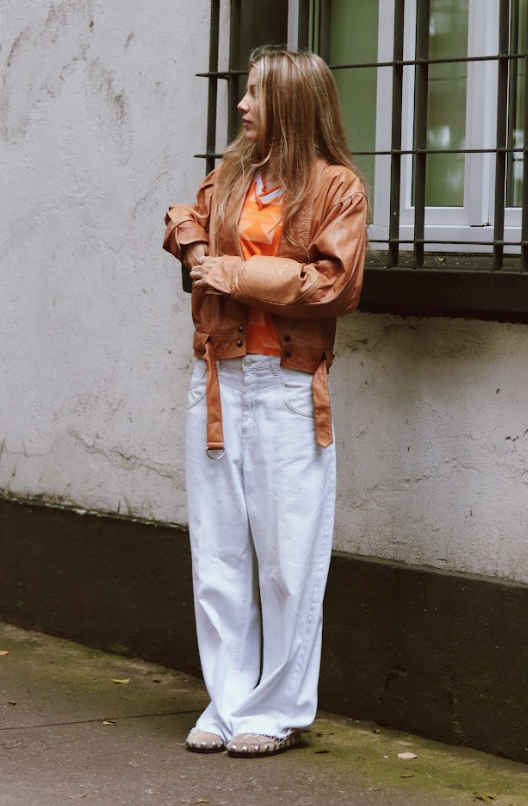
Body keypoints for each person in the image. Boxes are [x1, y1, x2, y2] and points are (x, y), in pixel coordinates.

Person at [162, 45, 368, 759]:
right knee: (217, 552)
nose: (243, 106)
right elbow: (183, 215)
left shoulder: (337, 188)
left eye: (255, 95)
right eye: (245, 93)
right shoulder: (234, 176)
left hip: (286, 385)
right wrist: (195, 252)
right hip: (218, 378)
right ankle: (226, 702)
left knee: (288, 558)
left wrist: (234, 273)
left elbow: (332, 285)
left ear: (290, 104)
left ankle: (276, 709)